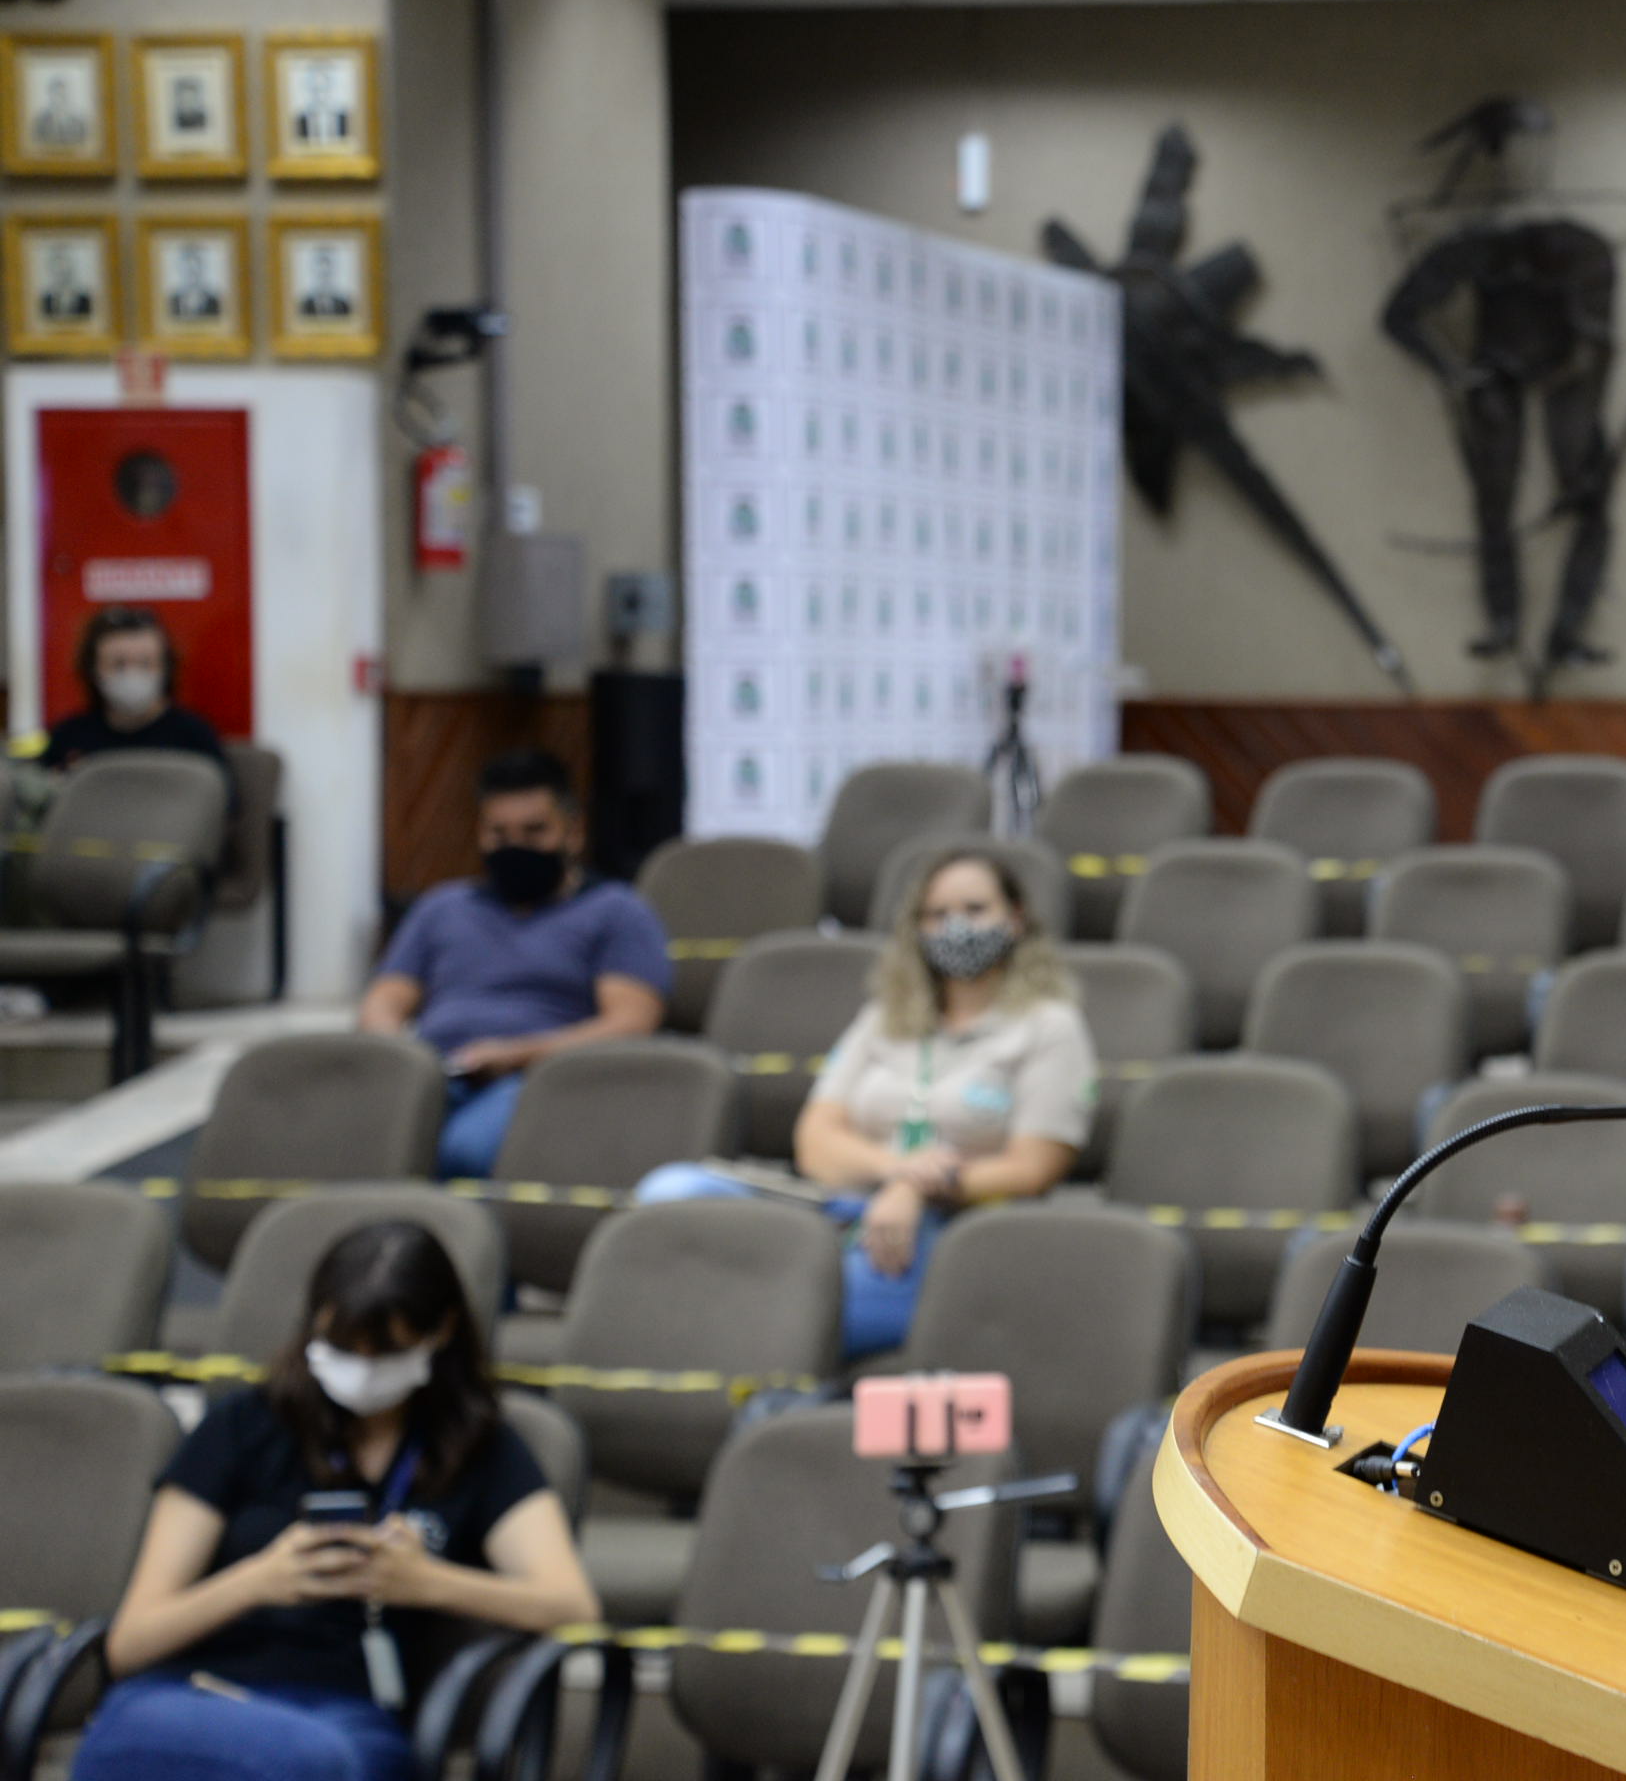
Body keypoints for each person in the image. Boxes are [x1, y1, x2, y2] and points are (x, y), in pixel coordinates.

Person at [74, 1221, 597, 1781]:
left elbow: (572, 1606)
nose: (361, 1369)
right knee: (141, 1745)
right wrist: (258, 1580)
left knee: (307, 1763)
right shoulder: (242, 1428)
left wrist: (429, 1583)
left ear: (440, 1331)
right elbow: (129, 1644)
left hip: (346, 1714)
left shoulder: (478, 1446)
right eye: (342, 1348)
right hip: (193, 1694)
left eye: (386, 1351)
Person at [634, 844, 1094, 1358]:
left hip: (955, 1227)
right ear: (916, 930)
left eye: (975, 910)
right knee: (670, 1190)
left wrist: (921, 1192)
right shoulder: (885, 1016)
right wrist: (899, 1173)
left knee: (801, 1309)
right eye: (937, 915)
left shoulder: (1050, 1025)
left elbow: (1033, 1168)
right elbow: (815, 1140)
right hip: (845, 1207)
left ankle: (730, 1345)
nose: (956, 927)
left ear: (1015, 920)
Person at [359, 749, 669, 1179]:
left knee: (463, 1151)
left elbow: (631, 1024)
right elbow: (384, 998)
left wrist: (516, 1055)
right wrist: (405, 1056)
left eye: (535, 831)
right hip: (431, 1074)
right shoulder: (442, 906)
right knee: (343, 1141)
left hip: (538, 1080)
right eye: (499, 834)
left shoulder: (617, 911)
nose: (516, 846)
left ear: (573, 832)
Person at [43, 606, 234, 809]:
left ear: (166, 668)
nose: (132, 675)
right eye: (118, 664)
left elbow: (225, 808)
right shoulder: (68, 736)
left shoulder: (194, 736)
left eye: (145, 663)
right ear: (93, 670)